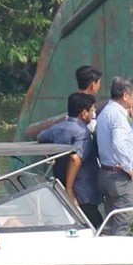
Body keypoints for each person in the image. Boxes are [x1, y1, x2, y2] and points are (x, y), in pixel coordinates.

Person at [38, 91, 102, 226]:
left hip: (61, 187)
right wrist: (70, 189)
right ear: (83, 113)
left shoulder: (57, 128)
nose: (93, 113)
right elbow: (75, 159)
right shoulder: (82, 132)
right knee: (95, 226)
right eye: (91, 110)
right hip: (82, 193)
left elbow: (41, 137)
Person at [96, 77, 133, 234]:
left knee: (111, 223)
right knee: (123, 223)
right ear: (125, 95)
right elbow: (118, 144)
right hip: (119, 176)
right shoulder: (117, 115)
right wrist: (128, 167)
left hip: (106, 172)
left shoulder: (105, 112)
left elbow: (126, 142)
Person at [26, 65, 104, 140]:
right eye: (99, 83)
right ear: (93, 85)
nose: (99, 86)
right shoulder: (87, 109)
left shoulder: (73, 100)